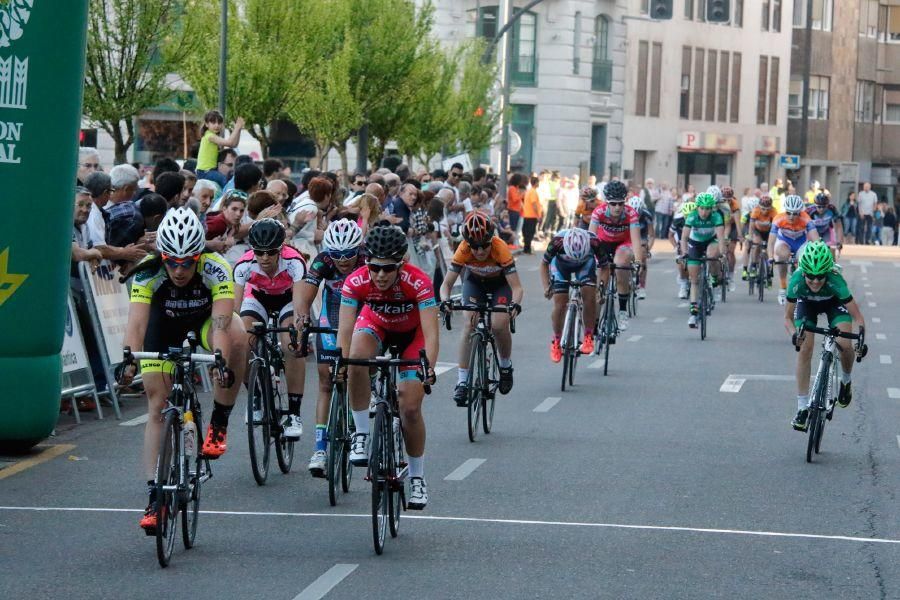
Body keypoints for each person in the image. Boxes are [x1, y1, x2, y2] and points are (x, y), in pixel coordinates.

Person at [119, 207, 246, 531]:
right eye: (172, 262)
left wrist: (219, 360)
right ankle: (154, 495)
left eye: (186, 262)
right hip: (163, 328)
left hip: (203, 323)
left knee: (237, 332)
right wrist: (130, 361)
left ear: (198, 256)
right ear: (162, 256)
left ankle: (219, 421)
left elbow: (219, 326)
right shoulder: (148, 272)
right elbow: (136, 326)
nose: (179, 270)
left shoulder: (217, 268)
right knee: (157, 404)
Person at [338, 225, 439, 510]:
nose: (380, 275)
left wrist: (427, 367)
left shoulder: (418, 281)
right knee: (356, 357)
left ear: (402, 263)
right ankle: (360, 433)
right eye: (374, 267)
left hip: (412, 335)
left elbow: (431, 333)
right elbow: (345, 330)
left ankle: (417, 477)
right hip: (376, 326)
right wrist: (341, 362)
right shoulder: (356, 281)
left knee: (409, 408)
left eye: (388, 268)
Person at [296, 219, 366, 476]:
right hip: (333, 313)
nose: (343, 260)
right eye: (337, 255)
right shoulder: (323, 261)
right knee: (326, 380)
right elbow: (306, 295)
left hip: (363, 313)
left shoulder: (367, 258)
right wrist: (302, 319)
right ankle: (320, 448)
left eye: (349, 254)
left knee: (361, 367)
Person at [233, 219, 307, 440]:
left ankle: (294, 414)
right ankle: (255, 398)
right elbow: (235, 311)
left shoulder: (294, 261)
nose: (264, 258)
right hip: (257, 299)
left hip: (288, 299)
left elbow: (300, 305)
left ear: (281, 248)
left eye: (271, 252)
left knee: (291, 345)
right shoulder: (243, 265)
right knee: (242, 342)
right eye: (259, 252)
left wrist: (299, 330)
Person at [440, 211, 522, 406]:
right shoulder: (463, 249)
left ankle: (505, 366)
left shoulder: (500, 248)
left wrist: (515, 305)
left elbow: (517, 287)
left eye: (484, 245)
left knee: (499, 323)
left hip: (499, 285)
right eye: (474, 246)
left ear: (491, 239)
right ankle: (462, 381)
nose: (479, 251)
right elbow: (446, 285)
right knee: (469, 324)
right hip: (474, 283)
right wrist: (445, 301)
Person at [785, 241, 866, 431]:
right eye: (810, 276)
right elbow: (787, 318)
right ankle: (802, 408)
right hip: (807, 305)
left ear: (827, 272)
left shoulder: (836, 281)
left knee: (844, 343)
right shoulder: (796, 282)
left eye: (820, 276)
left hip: (833, 303)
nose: (815, 281)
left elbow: (858, 318)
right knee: (805, 348)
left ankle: (845, 381)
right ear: (803, 272)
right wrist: (793, 334)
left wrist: (860, 339)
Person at [541, 227, 605, 360]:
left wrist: (601, 288)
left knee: (589, 295)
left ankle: (588, 336)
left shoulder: (594, 241)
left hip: (585, 265)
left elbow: (605, 267)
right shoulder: (557, 241)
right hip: (560, 266)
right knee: (560, 303)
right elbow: (544, 264)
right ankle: (557, 341)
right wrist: (547, 286)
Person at [588, 180, 643, 332]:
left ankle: (623, 311)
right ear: (607, 202)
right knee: (599, 284)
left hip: (623, 243)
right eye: (613, 204)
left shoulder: (631, 213)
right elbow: (591, 237)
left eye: (620, 203)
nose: (617, 207)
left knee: (621, 263)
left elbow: (636, 240)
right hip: (603, 243)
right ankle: (593, 328)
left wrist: (638, 261)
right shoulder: (598, 212)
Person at [681, 193, 725, 328]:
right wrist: (684, 254)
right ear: (697, 207)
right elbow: (684, 238)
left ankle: (714, 277)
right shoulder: (692, 216)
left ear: (712, 209)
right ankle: (693, 312)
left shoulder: (716, 216)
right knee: (694, 278)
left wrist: (722, 254)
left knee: (712, 255)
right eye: (701, 208)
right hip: (695, 243)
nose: (704, 212)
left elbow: (721, 237)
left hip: (711, 241)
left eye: (707, 208)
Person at [768, 194, 820, 305]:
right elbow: (771, 242)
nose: (791, 216)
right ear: (785, 211)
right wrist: (770, 257)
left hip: (801, 242)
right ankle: (782, 287)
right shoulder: (778, 218)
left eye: (795, 213)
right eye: (788, 213)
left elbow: (816, 240)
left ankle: (803, 287)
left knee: (805, 258)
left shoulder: (806, 218)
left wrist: (819, 253)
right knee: (783, 255)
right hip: (784, 241)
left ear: (800, 212)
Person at [197, 110, 244, 187]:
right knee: (224, 180)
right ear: (206, 124)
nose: (217, 125)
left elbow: (234, 144)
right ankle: (228, 196)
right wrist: (236, 128)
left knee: (226, 179)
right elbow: (229, 143)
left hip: (209, 171)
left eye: (219, 123)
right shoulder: (210, 136)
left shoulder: (212, 135)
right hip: (205, 172)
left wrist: (239, 130)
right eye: (213, 123)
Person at [742, 195, 775, 280]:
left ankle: (769, 267)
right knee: (756, 244)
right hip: (758, 231)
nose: (765, 211)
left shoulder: (774, 211)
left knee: (769, 248)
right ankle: (753, 266)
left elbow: (776, 226)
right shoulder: (756, 210)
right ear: (759, 207)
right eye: (763, 209)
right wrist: (749, 236)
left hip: (768, 231)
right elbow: (751, 226)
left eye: (767, 209)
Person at [627, 195, 654, 299]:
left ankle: (642, 287)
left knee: (642, 257)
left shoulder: (647, 215)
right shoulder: (625, 214)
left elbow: (651, 235)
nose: (636, 217)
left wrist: (648, 249)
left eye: (638, 215)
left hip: (641, 236)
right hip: (628, 235)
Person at [669, 200, 695, 300]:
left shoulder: (699, 219)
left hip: (695, 241)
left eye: (690, 216)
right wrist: (676, 246)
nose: (688, 218)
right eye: (686, 216)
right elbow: (670, 235)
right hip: (681, 241)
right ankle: (683, 284)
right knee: (680, 261)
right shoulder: (678, 220)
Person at [806, 191, 844, 256]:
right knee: (812, 251)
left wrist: (839, 242)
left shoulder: (832, 209)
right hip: (813, 232)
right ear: (815, 205)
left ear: (827, 205)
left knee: (831, 251)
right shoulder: (809, 211)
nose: (821, 209)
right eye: (819, 207)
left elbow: (839, 226)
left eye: (824, 207)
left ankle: (831, 265)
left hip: (826, 231)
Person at [521, 176, 543, 254]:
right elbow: (534, 204)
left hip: (527, 214)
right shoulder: (533, 192)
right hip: (532, 215)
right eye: (538, 182)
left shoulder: (529, 191)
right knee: (530, 232)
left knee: (527, 232)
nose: (539, 184)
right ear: (536, 183)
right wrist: (538, 215)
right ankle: (527, 249)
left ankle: (526, 248)